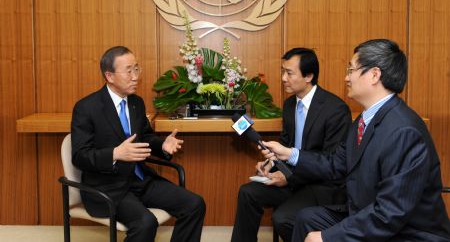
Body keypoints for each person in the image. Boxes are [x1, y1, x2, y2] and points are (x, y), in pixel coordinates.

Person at [263, 39, 450, 241]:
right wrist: (290, 154)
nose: (346, 78)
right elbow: (334, 164)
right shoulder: (364, 120)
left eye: (351, 70)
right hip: (367, 212)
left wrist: (328, 236)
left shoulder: (404, 131)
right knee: (306, 218)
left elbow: (390, 213)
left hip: (407, 232)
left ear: (374, 75)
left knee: (318, 233)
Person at [71, 46, 205, 242]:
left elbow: (146, 138)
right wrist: (115, 154)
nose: (135, 76)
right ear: (109, 76)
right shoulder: (87, 108)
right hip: (109, 187)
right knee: (145, 223)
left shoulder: (136, 103)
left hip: (140, 179)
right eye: (129, 71)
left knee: (194, 204)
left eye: (137, 69)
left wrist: (162, 146)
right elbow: (80, 156)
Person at [231, 48, 352, 242]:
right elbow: (286, 145)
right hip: (292, 178)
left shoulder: (335, 110)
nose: (283, 78)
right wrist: (270, 165)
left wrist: (289, 178)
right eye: (282, 71)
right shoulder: (289, 105)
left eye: (289, 73)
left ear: (309, 76)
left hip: (320, 186)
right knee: (248, 193)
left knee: (283, 218)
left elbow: (331, 164)